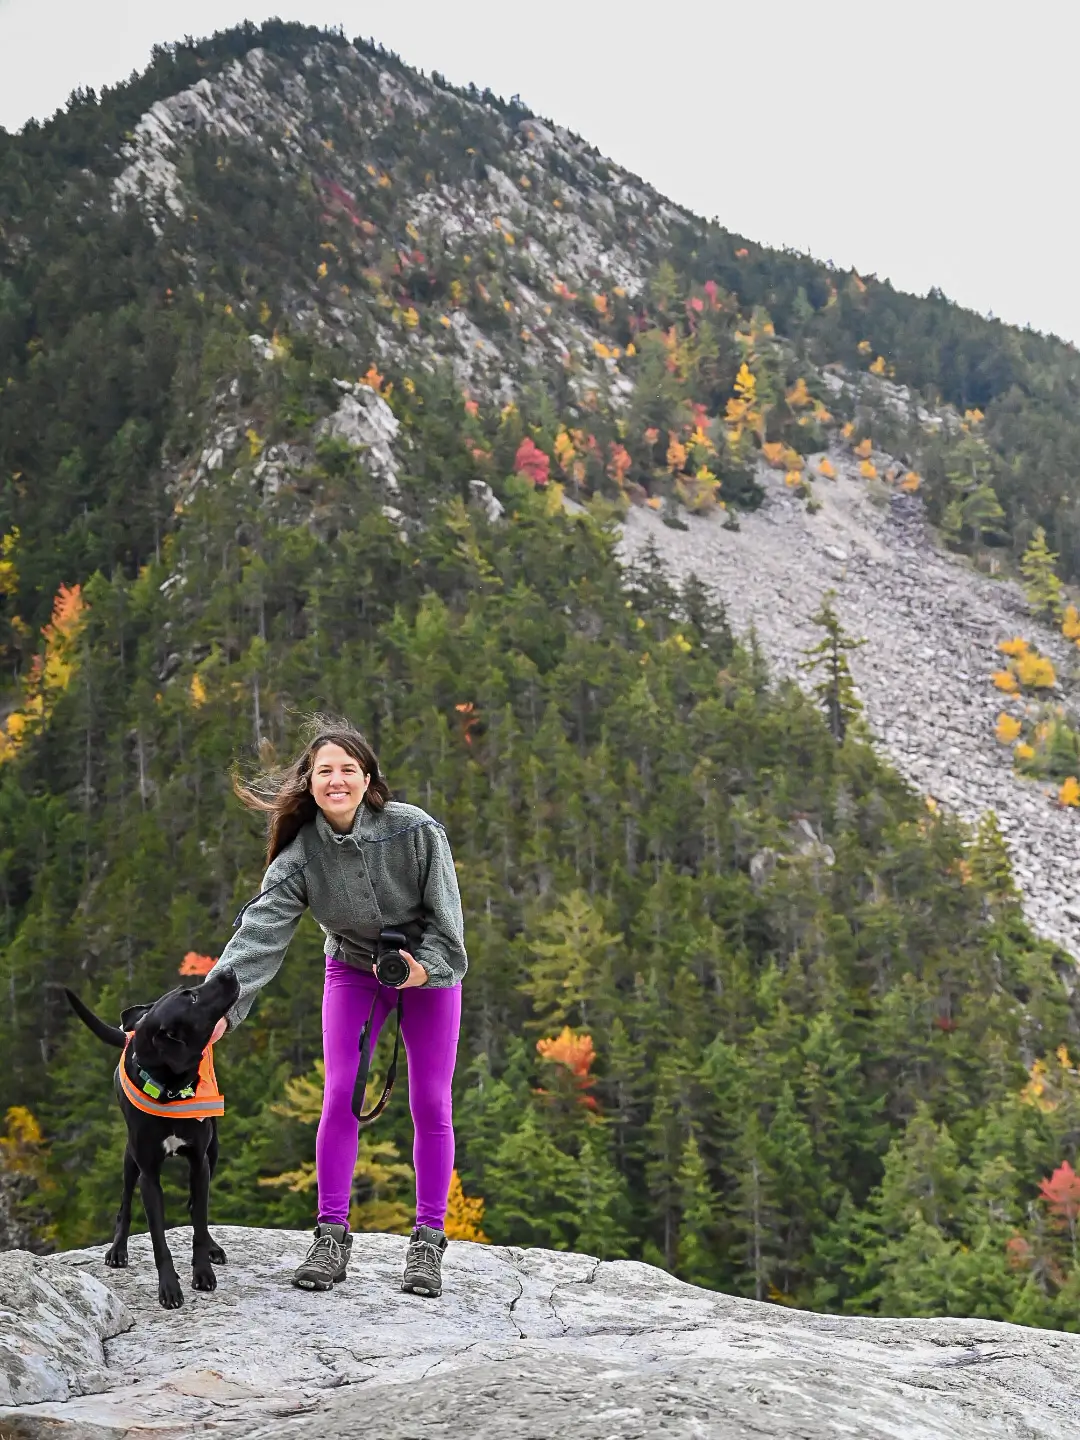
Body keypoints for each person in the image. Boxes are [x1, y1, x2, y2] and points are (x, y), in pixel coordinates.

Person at [207, 715, 467, 1298]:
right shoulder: (300, 858)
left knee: (431, 1098)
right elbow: (259, 934)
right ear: (310, 783)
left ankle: (427, 1241)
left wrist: (419, 970)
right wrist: (216, 1009)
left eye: (348, 769)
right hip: (351, 968)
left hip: (428, 970)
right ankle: (330, 1235)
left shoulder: (417, 832)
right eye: (324, 771)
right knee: (341, 1090)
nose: (337, 780)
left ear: (368, 778)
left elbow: (451, 933)